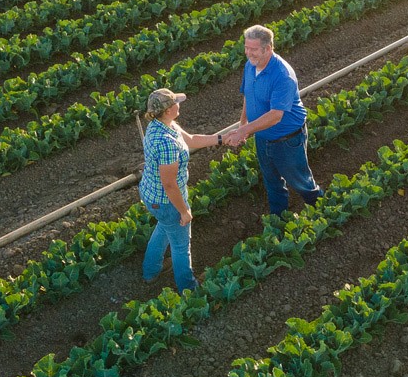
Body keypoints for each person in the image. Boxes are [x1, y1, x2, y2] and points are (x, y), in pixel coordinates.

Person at [224, 25, 323, 216]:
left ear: (268, 48)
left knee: (301, 182)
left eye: (253, 49)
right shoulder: (250, 66)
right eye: (246, 47)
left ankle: (322, 210)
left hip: (287, 139)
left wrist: (244, 131)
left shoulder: (282, 75)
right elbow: (248, 95)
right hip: (262, 137)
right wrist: (243, 124)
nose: (248, 53)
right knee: (271, 182)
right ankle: (278, 220)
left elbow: (276, 115)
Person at [138, 87, 223, 291]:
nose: (179, 104)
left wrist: (221, 138)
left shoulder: (161, 124)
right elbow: (169, 184)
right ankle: (189, 289)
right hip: (166, 200)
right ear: (168, 110)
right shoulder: (166, 143)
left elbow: (191, 139)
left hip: (152, 195)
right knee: (180, 245)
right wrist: (183, 211)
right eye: (176, 102)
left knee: (164, 228)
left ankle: (151, 271)